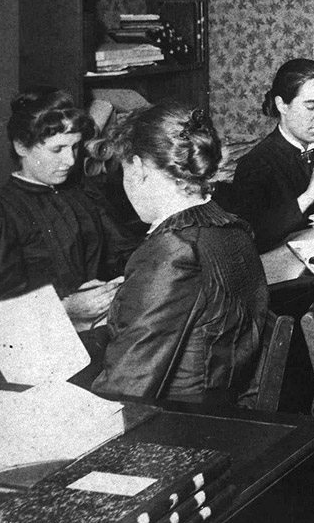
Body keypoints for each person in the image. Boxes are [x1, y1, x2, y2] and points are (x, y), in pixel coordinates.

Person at [90, 102, 268, 404]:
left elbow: (125, 386)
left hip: (179, 423)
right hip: (224, 407)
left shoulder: (173, 250)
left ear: (138, 168)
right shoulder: (232, 228)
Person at [0, 88, 123, 329]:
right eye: (57, 149)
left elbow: (122, 252)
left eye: (74, 147)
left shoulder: (83, 192)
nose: (71, 161)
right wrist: (66, 310)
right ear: (21, 146)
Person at [224, 59, 314, 252]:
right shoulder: (256, 164)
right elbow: (249, 239)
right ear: (282, 105)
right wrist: (307, 198)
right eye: (310, 106)